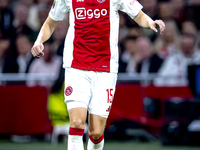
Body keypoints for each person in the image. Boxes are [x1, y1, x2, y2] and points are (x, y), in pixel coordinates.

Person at [31, 0, 165, 150]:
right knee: (76, 123)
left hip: (105, 69)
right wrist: (39, 40)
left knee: (96, 132)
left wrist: (150, 22)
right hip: (76, 66)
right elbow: (50, 22)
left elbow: (138, 15)